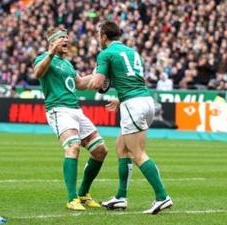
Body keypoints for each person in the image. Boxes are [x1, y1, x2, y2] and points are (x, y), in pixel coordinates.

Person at [88, 21, 172, 214]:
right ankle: (120, 197)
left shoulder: (105, 54)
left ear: (103, 36)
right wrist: (119, 98)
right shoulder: (132, 51)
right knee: (121, 147)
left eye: (98, 34)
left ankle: (162, 196)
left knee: (137, 153)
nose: (97, 38)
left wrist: (88, 80)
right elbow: (133, 80)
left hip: (133, 105)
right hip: (145, 100)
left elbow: (98, 84)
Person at [32, 27, 108, 211]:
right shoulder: (44, 57)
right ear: (52, 42)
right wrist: (50, 53)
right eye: (61, 38)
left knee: (100, 150)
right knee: (73, 147)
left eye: (67, 37)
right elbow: (37, 73)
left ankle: (83, 193)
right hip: (58, 110)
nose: (66, 40)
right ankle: (71, 198)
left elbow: (81, 83)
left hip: (76, 110)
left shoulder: (67, 63)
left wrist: (100, 73)